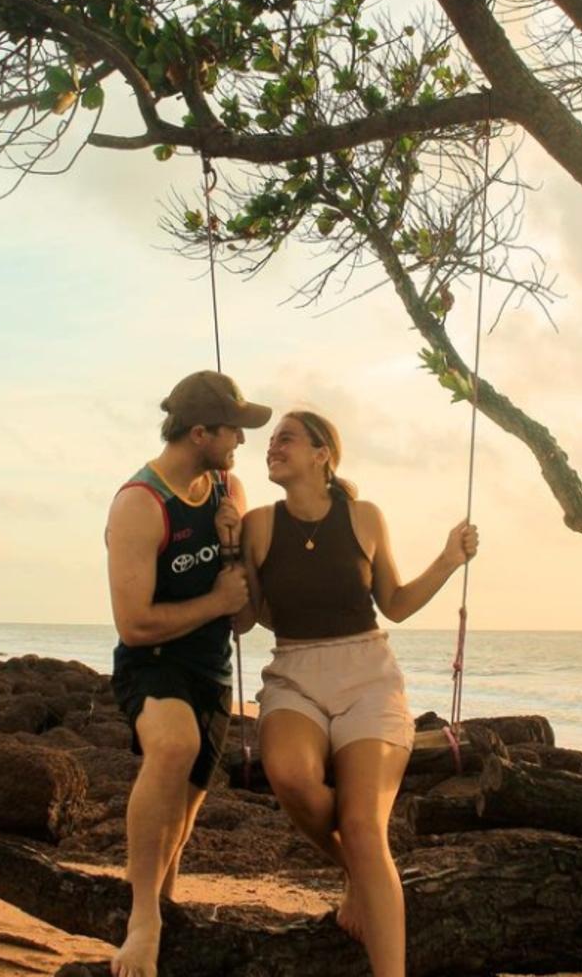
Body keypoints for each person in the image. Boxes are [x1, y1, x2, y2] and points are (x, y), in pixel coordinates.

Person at [232, 410, 479, 977]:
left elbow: (393, 602)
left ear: (323, 455)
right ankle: (358, 873)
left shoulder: (364, 518)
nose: (273, 447)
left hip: (368, 673)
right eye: (270, 442)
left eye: (286, 439)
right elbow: (244, 621)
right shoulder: (258, 525)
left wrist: (448, 559)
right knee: (290, 776)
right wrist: (228, 549)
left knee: (365, 823)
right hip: (294, 672)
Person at [106, 370, 271, 977]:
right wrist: (216, 601)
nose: (242, 442)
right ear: (199, 432)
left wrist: (232, 546)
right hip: (153, 663)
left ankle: (162, 913)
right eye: (234, 430)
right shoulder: (140, 504)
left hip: (211, 669)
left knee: (185, 818)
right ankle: (141, 915)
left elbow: (244, 620)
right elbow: (133, 625)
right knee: (173, 746)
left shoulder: (229, 488)